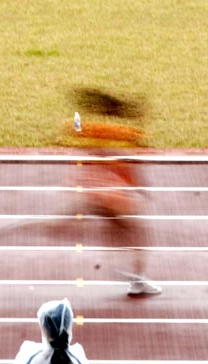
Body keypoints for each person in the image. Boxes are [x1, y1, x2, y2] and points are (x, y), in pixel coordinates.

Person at [68, 87, 162, 296]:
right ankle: (136, 279)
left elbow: (77, 132)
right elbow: (131, 166)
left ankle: (125, 270)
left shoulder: (97, 130)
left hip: (96, 194)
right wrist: (141, 188)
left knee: (117, 232)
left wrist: (77, 118)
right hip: (115, 198)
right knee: (138, 235)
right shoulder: (127, 134)